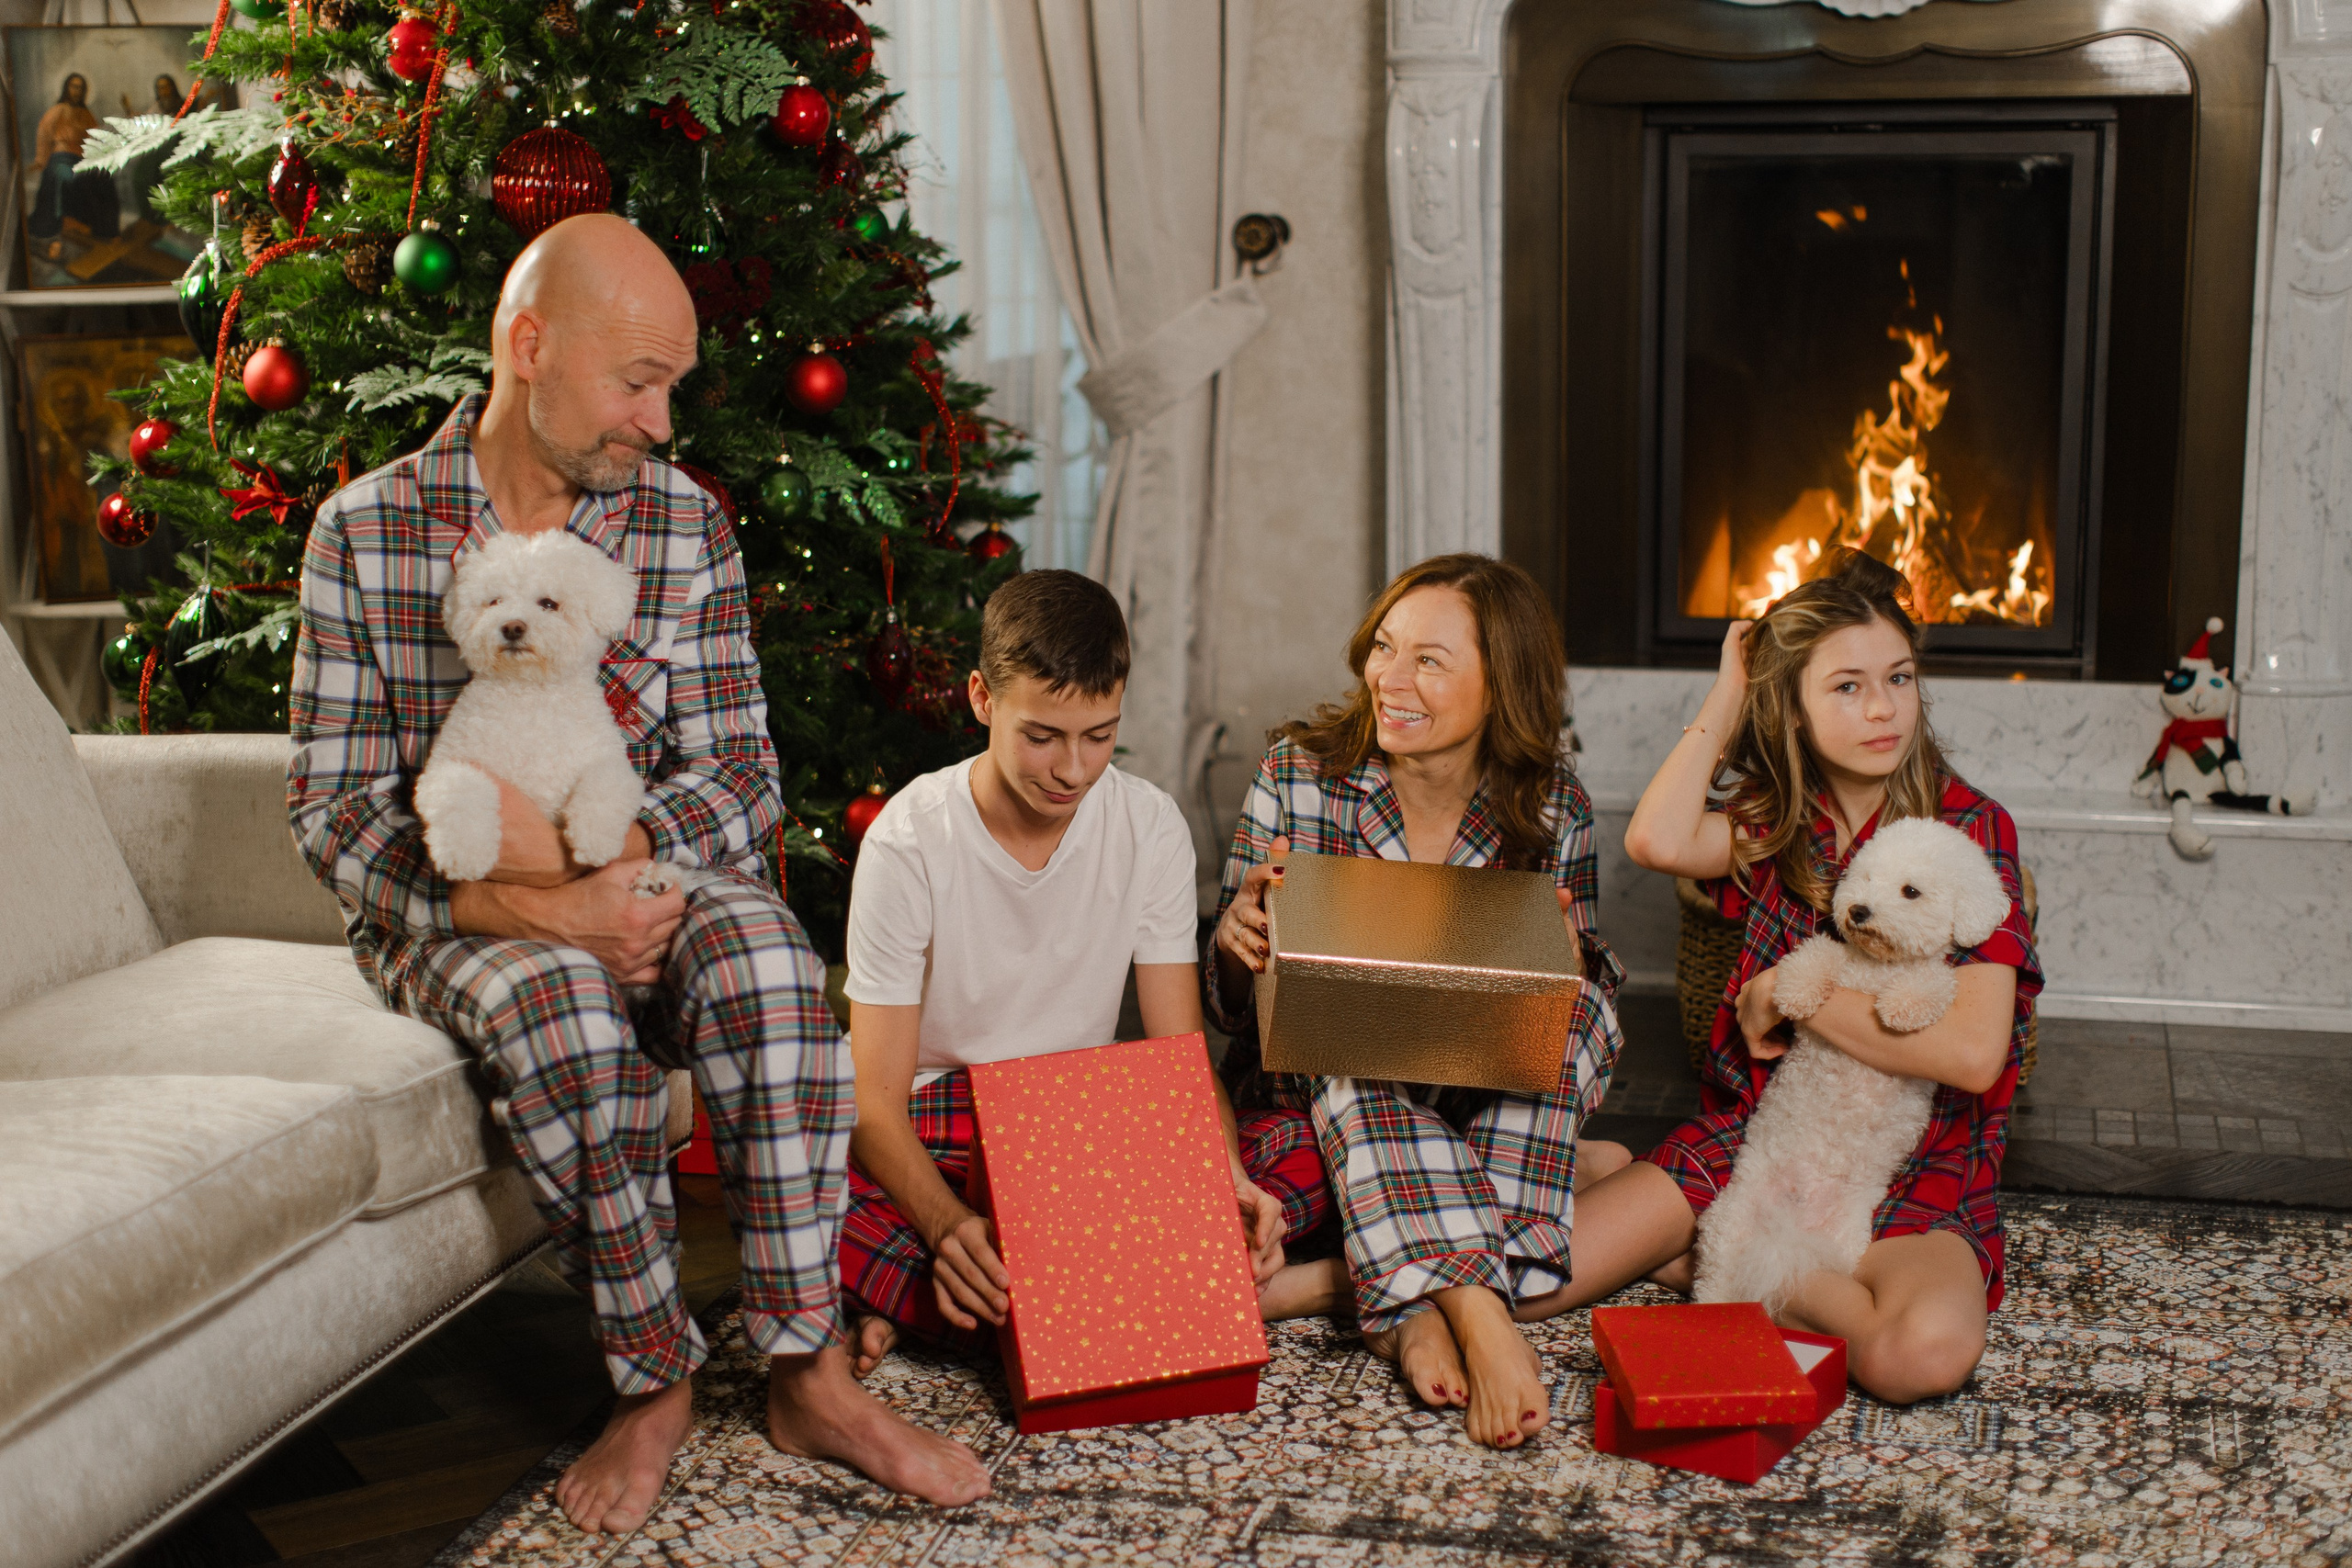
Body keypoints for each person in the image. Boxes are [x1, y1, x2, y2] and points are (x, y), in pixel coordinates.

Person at [287, 212, 991, 1535]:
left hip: (647, 867)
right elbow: (329, 806)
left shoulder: (681, 523)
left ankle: (807, 1366)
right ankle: (654, 1376)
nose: (662, 424)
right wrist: (541, 902)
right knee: (556, 1009)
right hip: (453, 905)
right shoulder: (361, 531)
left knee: (776, 963)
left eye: (672, 387)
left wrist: (626, 878)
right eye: (638, 384)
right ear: (528, 343)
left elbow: (737, 777)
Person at [1555, 547, 2043, 1404]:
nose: (1885, 707)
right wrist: (1729, 689)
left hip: (1919, 1164)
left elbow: (1972, 1056)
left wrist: (1794, 996)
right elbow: (1656, 841)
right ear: (1793, 704)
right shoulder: (1776, 821)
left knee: (1915, 1355)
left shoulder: (1967, 825)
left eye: (1898, 677)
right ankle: (1723, 1238)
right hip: (1767, 1145)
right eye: (1847, 686)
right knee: (1531, 1282)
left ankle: (1720, 1254)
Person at [837, 570, 1337, 1375]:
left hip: (1086, 1130)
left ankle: (954, 1311)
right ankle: (1177, 1296)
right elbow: (877, 1107)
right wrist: (948, 1228)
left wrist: (1230, 1183)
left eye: (1099, 736)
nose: (1072, 769)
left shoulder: (1149, 826)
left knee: (1312, 1140)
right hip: (949, 1127)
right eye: (1042, 736)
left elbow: (1178, 1066)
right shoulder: (908, 842)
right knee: (802, 1181)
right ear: (981, 698)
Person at [1206, 553, 1629, 1450]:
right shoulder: (1298, 774)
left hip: (1479, 1083)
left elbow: (1556, 1009)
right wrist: (1236, 940)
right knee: (1347, 1036)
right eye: (1384, 648)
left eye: (1428, 662)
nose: (1389, 681)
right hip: (1320, 1079)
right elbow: (1238, 1012)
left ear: (1502, 685)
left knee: (1588, 1008)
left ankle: (1387, 1295)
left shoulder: (1555, 809)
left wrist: (1559, 962)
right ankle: (1480, 1312)